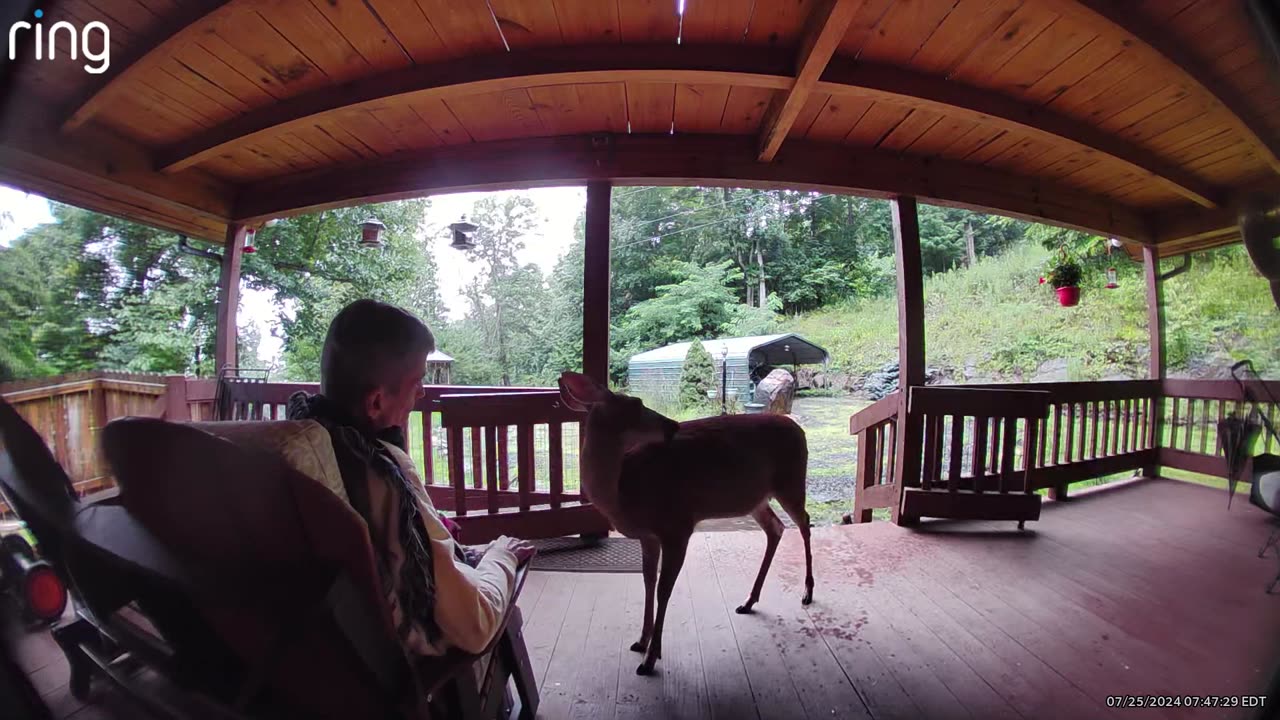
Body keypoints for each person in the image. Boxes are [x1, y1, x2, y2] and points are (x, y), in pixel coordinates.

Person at [286, 298, 534, 657]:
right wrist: (502, 556)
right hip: (395, 659)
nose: (423, 392)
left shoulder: (302, 443)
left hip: (316, 652)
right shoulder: (383, 476)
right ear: (376, 403)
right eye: (417, 382)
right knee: (503, 587)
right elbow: (473, 624)